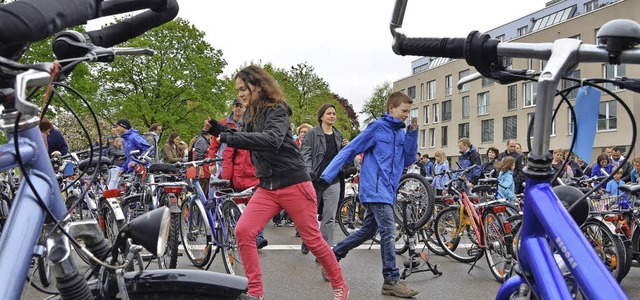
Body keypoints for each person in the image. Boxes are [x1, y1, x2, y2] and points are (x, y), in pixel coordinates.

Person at [204, 65, 347, 300]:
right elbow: (246, 135)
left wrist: (228, 137)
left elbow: (271, 139)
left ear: (258, 86)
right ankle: (256, 292)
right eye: (237, 90)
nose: (239, 94)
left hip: (294, 183)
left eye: (243, 89)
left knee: (312, 240)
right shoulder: (252, 113)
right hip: (268, 186)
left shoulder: (277, 110)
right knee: (244, 231)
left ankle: (340, 285)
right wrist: (220, 129)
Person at [315, 91, 419, 298]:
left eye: (409, 111)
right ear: (391, 108)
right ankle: (391, 280)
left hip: (388, 190)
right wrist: (327, 176)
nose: (407, 115)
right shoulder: (376, 128)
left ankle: (332, 257)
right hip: (374, 188)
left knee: (368, 231)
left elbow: (408, 160)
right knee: (388, 230)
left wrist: (412, 134)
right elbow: (350, 150)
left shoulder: (400, 132)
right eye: (404, 111)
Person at [217, 98, 268, 249]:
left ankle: (258, 238)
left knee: (257, 210)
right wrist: (226, 177)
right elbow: (227, 156)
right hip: (238, 180)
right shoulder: (238, 136)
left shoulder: (260, 136)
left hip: (255, 179)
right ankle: (243, 236)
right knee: (239, 212)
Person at [300, 103, 348, 254]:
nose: (332, 116)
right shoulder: (312, 134)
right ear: (321, 116)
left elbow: (343, 158)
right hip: (315, 179)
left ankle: (325, 251)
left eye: (334, 113)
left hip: (333, 181)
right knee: (310, 216)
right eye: (329, 113)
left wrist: (346, 147)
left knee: (329, 217)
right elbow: (305, 154)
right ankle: (308, 240)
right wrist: (308, 173)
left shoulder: (339, 135)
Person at [192, 130, 212, 196]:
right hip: (204, 172)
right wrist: (201, 170)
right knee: (203, 193)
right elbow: (198, 156)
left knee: (205, 192)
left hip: (206, 171)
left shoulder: (204, 140)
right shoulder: (202, 141)